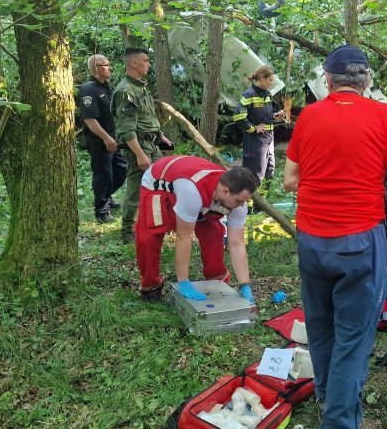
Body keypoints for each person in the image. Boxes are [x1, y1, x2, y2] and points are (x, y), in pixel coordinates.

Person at [283, 44, 387, 429]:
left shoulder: (308, 116)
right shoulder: (382, 114)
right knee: (354, 338)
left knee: (320, 324)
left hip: (311, 238)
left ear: (327, 80)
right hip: (360, 239)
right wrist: (385, 201)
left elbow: (291, 180)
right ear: (366, 80)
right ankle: (340, 421)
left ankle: (327, 394)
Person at [135, 155, 260, 302]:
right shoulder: (192, 192)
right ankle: (151, 286)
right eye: (238, 201)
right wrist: (183, 282)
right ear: (225, 191)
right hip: (158, 184)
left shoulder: (237, 200)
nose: (241, 205)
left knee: (214, 233)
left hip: (199, 192)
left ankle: (216, 280)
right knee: (148, 238)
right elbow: (184, 237)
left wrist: (244, 284)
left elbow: (236, 243)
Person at [112, 47, 173, 243]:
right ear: (134, 63)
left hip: (152, 144)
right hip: (139, 146)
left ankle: (153, 224)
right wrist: (139, 154)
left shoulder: (140, 87)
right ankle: (128, 232)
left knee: (158, 185)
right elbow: (126, 128)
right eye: (145, 60)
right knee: (136, 188)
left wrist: (160, 135)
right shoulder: (125, 91)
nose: (149, 64)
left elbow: (147, 117)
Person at [78, 54, 127, 224]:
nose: (110, 67)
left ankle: (105, 197)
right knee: (103, 175)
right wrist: (106, 138)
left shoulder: (106, 87)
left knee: (121, 169)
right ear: (96, 68)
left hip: (113, 139)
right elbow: (89, 120)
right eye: (106, 65)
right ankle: (101, 211)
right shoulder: (88, 90)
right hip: (99, 141)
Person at [233, 66, 286, 186]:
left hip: (269, 139)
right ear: (261, 78)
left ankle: (262, 202)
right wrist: (253, 128)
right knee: (255, 174)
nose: (271, 83)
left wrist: (274, 116)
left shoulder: (266, 95)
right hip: (255, 141)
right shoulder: (249, 94)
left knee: (269, 171)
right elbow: (238, 116)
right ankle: (250, 202)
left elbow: (262, 115)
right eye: (270, 80)